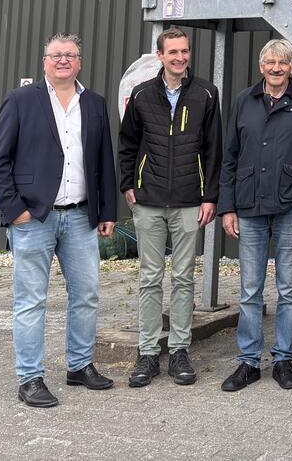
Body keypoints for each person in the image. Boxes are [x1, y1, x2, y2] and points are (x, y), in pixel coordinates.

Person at [0, 32, 118, 408]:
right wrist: (15, 211)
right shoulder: (20, 100)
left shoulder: (93, 103)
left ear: (79, 62)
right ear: (44, 62)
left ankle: (79, 366)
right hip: (34, 218)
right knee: (31, 301)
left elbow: (103, 160)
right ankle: (30, 378)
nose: (63, 60)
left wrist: (106, 210)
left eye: (71, 55)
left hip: (79, 217)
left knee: (87, 295)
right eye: (56, 55)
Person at [217, 39, 292, 393]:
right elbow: (229, 156)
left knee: (289, 288)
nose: (276, 68)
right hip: (248, 207)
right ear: (261, 66)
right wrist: (227, 206)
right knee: (250, 289)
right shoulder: (244, 101)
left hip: (290, 207)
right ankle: (248, 362)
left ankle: (283, 359)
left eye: (283, 62)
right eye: (270, 62)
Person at [117, 27, 222, 388]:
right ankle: (147, 353)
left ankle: (179, 350)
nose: (180, 57)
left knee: (182, 278)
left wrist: (210, 196)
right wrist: (128, 184)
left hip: (189, 201)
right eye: (172, 52)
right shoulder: (142, 94)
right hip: (147, 201)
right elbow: (127, 143)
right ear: (160, 56)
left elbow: (213, 150)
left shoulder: (207, 93)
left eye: (184, 51)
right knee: (149, 277)